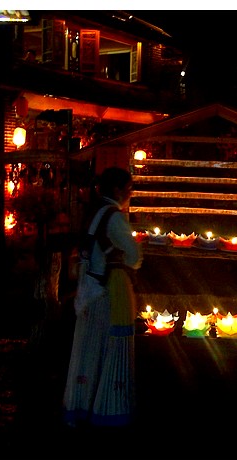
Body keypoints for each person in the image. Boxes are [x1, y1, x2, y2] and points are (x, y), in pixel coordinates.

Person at [63, 167, 143, 428]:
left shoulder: (94, 212)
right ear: (118, 189)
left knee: (88, 347)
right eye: (129, 188)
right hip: (111, 287)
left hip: (89, 287)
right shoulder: (114, 217)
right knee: (113, 349)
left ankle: (80, 405)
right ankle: (109, 408)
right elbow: (134, 257)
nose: (130, 194)